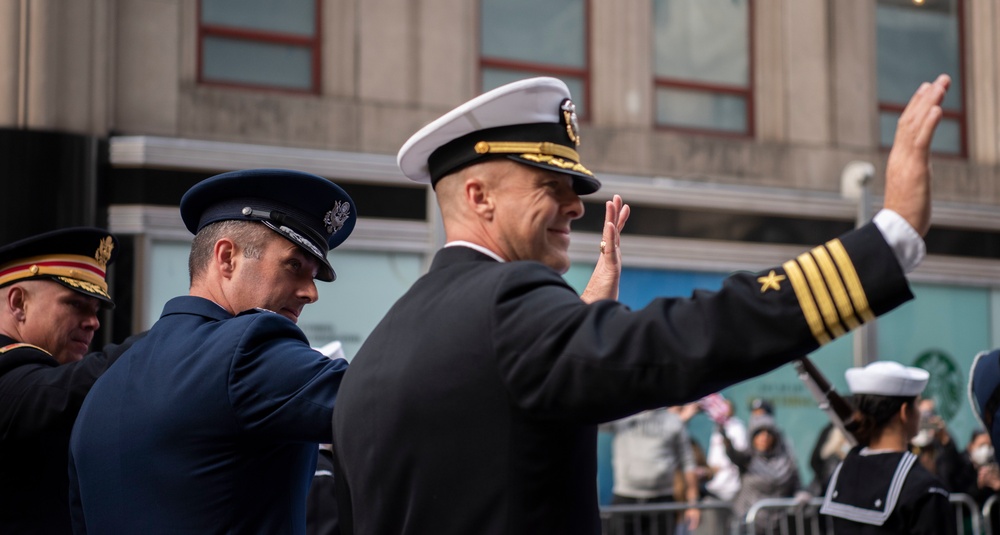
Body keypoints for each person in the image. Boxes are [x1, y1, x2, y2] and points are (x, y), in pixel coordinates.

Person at [332, 74, 951, 535]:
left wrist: (575, 323)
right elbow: (693, 336)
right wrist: (886, 241)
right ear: (479, 196)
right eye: (553, 186)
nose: (576, 207)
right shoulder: (507, 306)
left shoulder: (383, 347)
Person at [68, 169, 359, 533]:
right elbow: (383, 403)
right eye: (294, 265)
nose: (310, 293)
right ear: (226, 258)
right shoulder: (247, 348)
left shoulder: (103, 390)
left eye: (313, 277)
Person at [0, 227, 141, 533]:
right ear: (17, 303)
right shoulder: (11, 380)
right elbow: (72, 387)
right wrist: (184, 326)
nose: (94, 322)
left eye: (95, 309)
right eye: (75, 303)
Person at [820, 361, 954, 534]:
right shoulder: (924, 488)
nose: (920, 412)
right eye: (917, 404)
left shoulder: (840, 475)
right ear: (905, 412)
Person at [602, 407, 701, 534]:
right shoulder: (622, 416)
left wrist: (693, 504)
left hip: (662, 500)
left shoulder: (673, 421)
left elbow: (688, 463)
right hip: (625, 498)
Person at [725, 414, 805, 534]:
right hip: (748, 523)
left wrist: (801, 495)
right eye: (759, 433)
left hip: (779, 525)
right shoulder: (748, 459)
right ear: (752, 437)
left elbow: (797, 485)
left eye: (768, 433)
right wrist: (723, 433)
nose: (764, 437)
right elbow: (733, 455)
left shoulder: (787, 461)